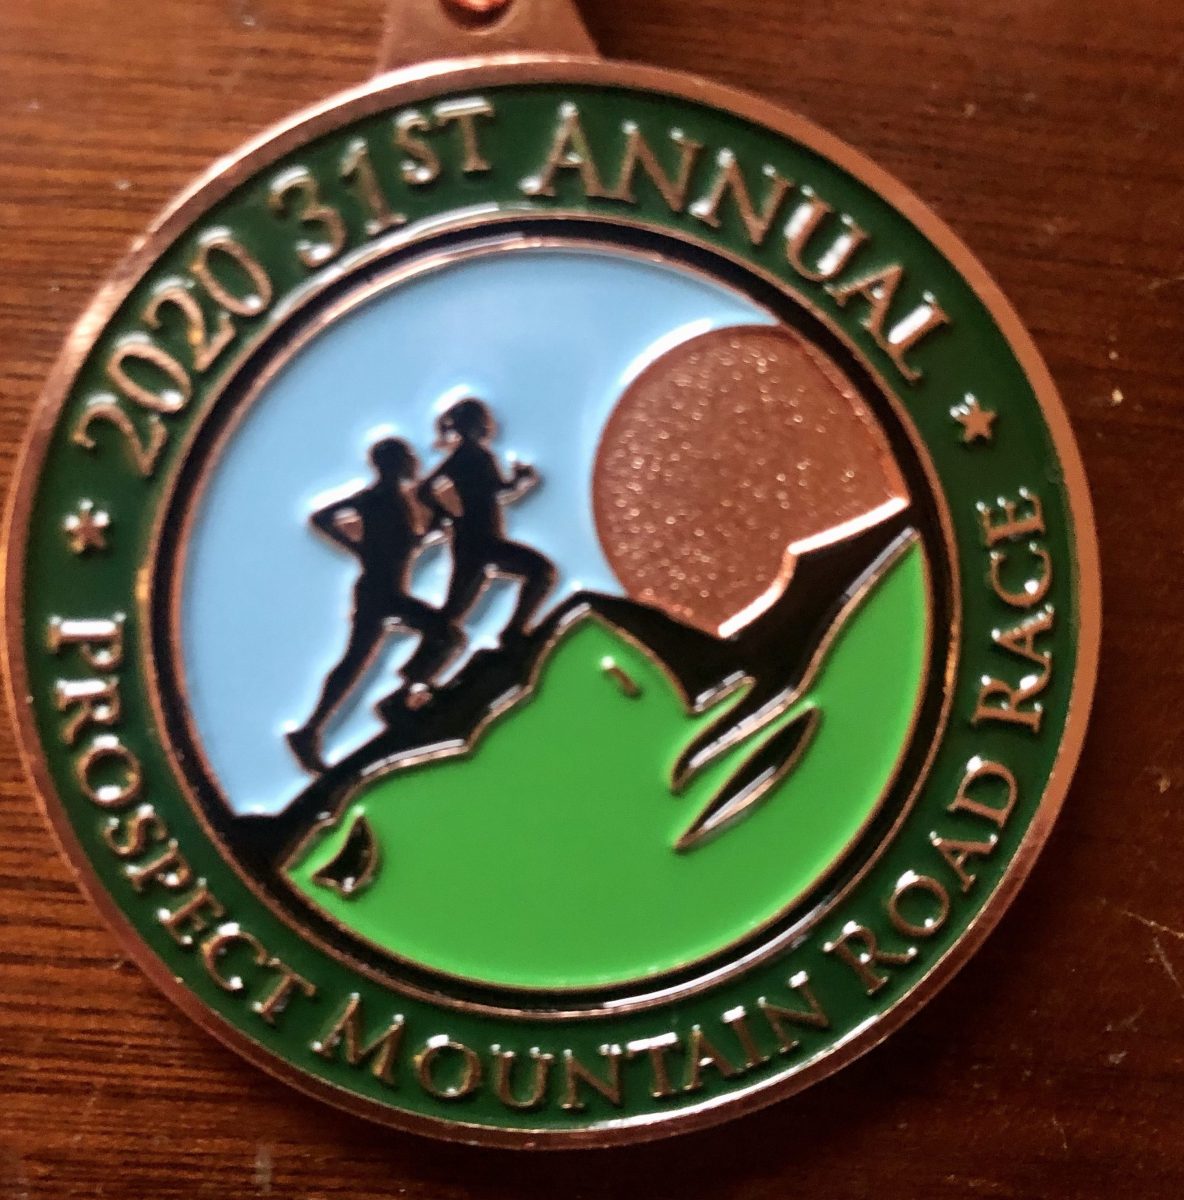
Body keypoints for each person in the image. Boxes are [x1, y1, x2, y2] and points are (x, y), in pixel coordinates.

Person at [286, 437, 463, 774]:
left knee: (356, 662)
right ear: (393, 463)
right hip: (379, 594)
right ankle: (400, 694)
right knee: (442, 636)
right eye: (407, 456)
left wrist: (430, 533)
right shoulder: (375, 498)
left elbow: (401, 545)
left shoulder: (398, 500)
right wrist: (355, 546)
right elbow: (321, 517)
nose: (414, 461)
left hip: (385, 592)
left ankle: (311, 731)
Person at [416, 398, 556, 641]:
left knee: (456, 608)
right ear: (471, 426)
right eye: (480, 422)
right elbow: (424, 490)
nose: (485, 426)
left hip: (481, 539)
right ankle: (513, 631)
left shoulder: (479, 456)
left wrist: (519, 481)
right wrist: (448, 514)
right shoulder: (468, 456)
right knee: (539, 571)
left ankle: (513, 631)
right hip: (478, 541)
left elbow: (498, 492)